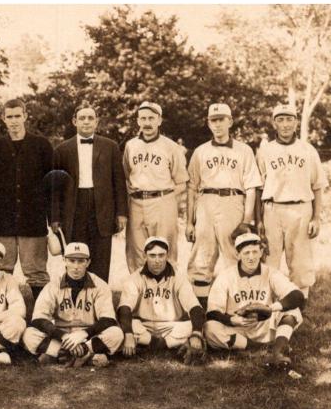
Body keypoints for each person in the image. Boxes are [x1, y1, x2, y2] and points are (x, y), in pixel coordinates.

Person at [0, 99, 53, 303]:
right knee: (2, 268)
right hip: (4, 220)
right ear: (3, 119)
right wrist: (3, 191)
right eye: (9, 117)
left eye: (18, 116)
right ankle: (1, 311)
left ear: (25, 116)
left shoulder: (41, 145)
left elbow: (52, 181)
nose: (14, 121)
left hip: (33, 220)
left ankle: (40, 315)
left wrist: (38, 199)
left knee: (36, 271)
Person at [186, 103, 262, 309]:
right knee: (202, 256)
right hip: (206, 202)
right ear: (209, 123)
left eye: (222, 119)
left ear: (230, 121)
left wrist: (247, 221)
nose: (218, 124)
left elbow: (252, 187)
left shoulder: (244, 150)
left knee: (233, 255)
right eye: (213, 120)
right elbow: (192, 187)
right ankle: (200, 313)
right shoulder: (200, 151)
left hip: (232, 201)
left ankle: (236, 307)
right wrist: (189, 222)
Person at [255, 104, 329, 304]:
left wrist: (316, 217)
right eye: (280, 119)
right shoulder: (266, 150)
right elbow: (258, 187)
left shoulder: (308, 150)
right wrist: (258, 219)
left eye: (289, 119)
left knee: (301, 260)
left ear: (296, 122)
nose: (285, 124)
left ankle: (298, 305)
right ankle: (267, 304)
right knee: (269, 259)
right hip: (272, 209)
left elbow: (318, 186)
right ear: (274, 123)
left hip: (301, 208)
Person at [204, 230, 305, 368]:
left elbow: (297, 296)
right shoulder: (226, 276)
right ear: (238, 254)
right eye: (246, 253)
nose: (251, 257)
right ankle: (258, 348)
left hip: (264, 324)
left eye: (255, 252)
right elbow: (212, 312)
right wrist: (231, 320)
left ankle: (278, 350)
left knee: (293, 311)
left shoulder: (270, 272)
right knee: (210, 328)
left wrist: (270, 309)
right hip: (238, 327)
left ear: (261, 253)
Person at [50, 102, 128, 282]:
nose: (86, 121)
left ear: (96, 122)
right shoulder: (62, 149)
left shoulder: (110, 146)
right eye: (82, 118)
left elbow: (119, 182)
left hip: (102, 207)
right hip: (74, 208)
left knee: (101, 256)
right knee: (77, 253)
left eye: (90, 118)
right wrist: (55, 217)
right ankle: (76, 296)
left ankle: (100, 300)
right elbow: (55, 188)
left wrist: (121, 213)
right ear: (74, 121)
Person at [22, 242, 124, 367]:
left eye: (81, 261)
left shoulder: (100, 285)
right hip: (61, 335)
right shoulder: (53, 285)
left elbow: (108, 319)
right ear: (64, 260)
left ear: (88, 262)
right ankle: (85, 356)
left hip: (88, 336)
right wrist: (63, 336)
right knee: (29, 334)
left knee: (116, 333)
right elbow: (38, 319)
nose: (76, 266)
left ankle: (61, 355)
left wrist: (83, 334)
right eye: (72, 260)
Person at [122, 101, 189, 273]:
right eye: (143, 118)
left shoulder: (171, 147)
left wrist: (165, 199)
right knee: (136, 251)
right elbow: (125, 176)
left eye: (151, 118)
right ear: (138, 121)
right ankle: (139, 293)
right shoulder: (131, 145)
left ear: (159, 120)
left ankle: (168, 291)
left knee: (165, 249)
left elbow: (181, 182)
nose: (147, 122)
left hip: (162, 201)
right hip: (136, 202)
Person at [118, 237, 206, 363]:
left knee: (195, 327)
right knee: (124, 327)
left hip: (170, 326)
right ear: (145, 256)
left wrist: (197, 334)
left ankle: (151, 345)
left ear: (167, 255)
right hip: (144, 325)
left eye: (161, 255)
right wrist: (128, 333)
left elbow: (195, 307)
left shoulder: (178, 278)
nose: (157, 260)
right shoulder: (134, 278)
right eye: (152, 255)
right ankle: (171, 345)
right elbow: (124, 308)